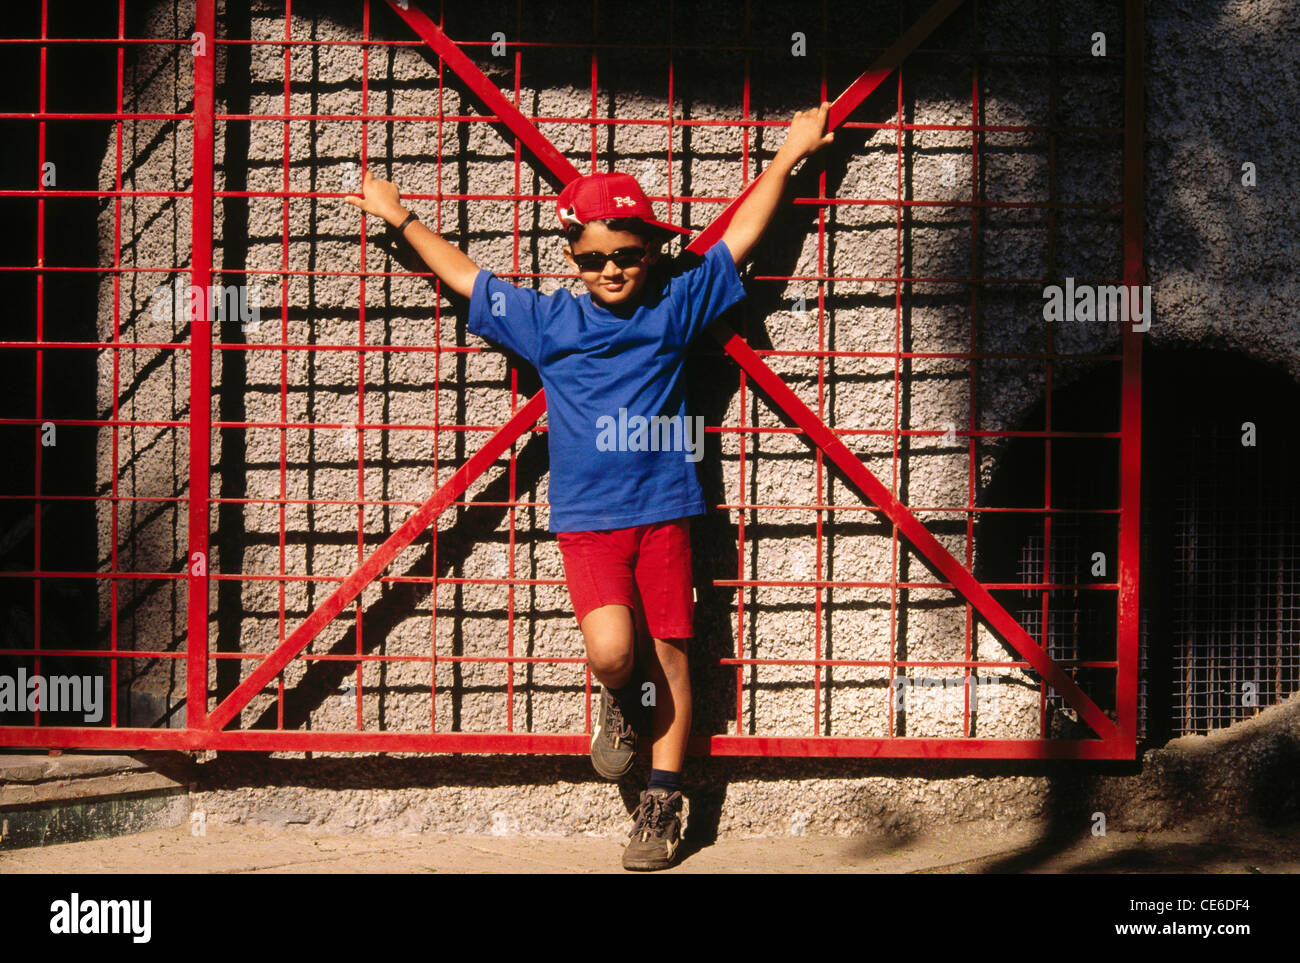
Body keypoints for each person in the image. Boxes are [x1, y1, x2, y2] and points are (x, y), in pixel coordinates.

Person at [344, 102, 834, 870]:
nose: (612, 270)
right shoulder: (549, 324)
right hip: (588, 521)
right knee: (613, 653)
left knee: (673, 657)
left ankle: (664, 799)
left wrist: (788, 156)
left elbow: (743, 236)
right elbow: (468, 277)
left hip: (668, 511)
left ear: (651, 252)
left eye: (628, 255)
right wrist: (402, 218)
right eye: (594, 258)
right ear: (570, 256)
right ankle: (618, 701)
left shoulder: (676, 305)